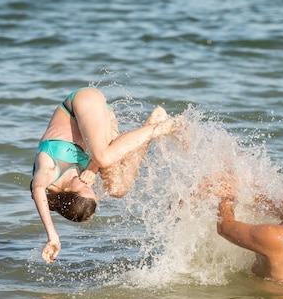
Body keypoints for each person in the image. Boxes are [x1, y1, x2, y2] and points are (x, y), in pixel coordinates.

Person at [31, 87, 179, 264]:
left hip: (82, 103)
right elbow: (95, 157)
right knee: (118, 188)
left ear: (68, 192)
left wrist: (53, 236)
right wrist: (92, 170)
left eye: (85, 187)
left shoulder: (49, 171)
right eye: (90, 188)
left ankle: (165, 127)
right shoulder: (77, 180)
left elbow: (37, 190)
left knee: (103, 157)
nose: (89, 183)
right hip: (101, 120)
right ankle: (153, 122)